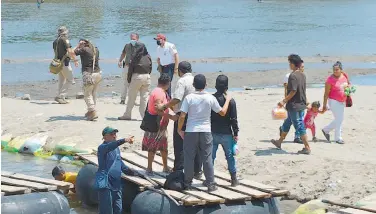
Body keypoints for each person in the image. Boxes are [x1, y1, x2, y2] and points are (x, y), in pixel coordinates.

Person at [178, 74, 231, 192]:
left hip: (191, 130)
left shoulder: (189, 98)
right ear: (206, 85)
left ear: (193, 85)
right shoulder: (210, 97)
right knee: (207, 157)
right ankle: (211, 183)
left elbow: (182, 115)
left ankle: (187, 182)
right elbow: (222, 112)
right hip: (206, 130)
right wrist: (227, 100)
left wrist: (179, 129)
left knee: (189, 157)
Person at [156, 61, 202, 177]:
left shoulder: (182, 81)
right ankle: (197, 170)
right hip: (197, 114)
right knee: (195, 143)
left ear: (180, 71)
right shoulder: (195, 80)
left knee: (179, 142)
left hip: (183, 114)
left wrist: (165, 106)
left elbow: (177, 98)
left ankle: (178, 168)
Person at [271, 54, 311, 155]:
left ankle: (307, 147)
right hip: (300, 103)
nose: (289, 65)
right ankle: (279, 142)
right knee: (287, 123)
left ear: (293, 64)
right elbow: (302, 90)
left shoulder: (293, 76)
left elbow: (293, 91)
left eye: (290, 63)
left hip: (294, 105)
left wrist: (283, 101)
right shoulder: (302, 75)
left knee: (299, 125)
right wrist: (305, 102)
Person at [96, 127, 135, 214]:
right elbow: (112, 145)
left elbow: (120, 163)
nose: (114, 136)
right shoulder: (102, 148)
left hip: (116, 185)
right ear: (105, 137)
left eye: (115, 134)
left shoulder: (116, 149)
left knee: (118, 209)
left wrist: (133, 173)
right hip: (105, 184)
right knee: (107, 211)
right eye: (112, 134)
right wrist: (124, 140)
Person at [141, 74, 174, 174]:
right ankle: (149, 168)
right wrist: (171, 117)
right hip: (156, 124)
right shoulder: (159, 93)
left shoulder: (160, 91)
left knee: (163, 146)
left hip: (162, 125)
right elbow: (158, 109)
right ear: (168, 84)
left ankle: (165, 167)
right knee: (153, 146)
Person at [211, 75, 240, 186]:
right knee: (229, 156)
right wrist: (236, 133)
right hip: (227, 133)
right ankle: (233, 179)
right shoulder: (231, 101)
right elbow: (234, 119)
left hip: (213, 132)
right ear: (226, 87)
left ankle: (210, 179)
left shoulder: (211, 99)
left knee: (211, 157)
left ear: (215, 85)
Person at [118, 42, 151, 120]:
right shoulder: (148, 56)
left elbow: (131, 69)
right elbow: (150, 67)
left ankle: (127, 115)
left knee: (131, 97)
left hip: (137, 77)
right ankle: (144, 116)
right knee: (144, 98)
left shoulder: (135, 57)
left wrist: (129, 80)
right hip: (147, 77)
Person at [72, 39, 102, 121]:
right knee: (93, 93)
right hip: (98, 73)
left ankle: (92, 111)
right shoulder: (96, 49)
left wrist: (78, 45)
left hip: (89, 74)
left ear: (84, 44)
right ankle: (90, 111)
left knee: (87, 94)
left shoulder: (84, 49)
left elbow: (72, 52)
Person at [322, 61, 349, 144]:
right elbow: (326, 93)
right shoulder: (330, 80)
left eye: (337, 69)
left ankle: (326, 130)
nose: (335, 71)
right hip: (333, 101)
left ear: (341, 70)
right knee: (339, 119)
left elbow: (347, 85)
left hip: (342, 100)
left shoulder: (344, 76)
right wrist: (324, 105)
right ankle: (338, 138)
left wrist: (349, 91)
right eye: (334, 70)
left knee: (339, 119)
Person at [280, 61, 305, 143]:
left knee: (296, 122)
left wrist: (305, 101)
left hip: (298, 103)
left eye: (303, 67)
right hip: (292, 103)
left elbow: (302, 90)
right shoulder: (289, 76)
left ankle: (298, 138)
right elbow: (288, 90)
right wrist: (285, 100)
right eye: (302, 66)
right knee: (294, 122)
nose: (302, 68)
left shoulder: (302, 76)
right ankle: (280, 141)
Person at [53, 26, 78, 104]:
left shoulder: (55, 41)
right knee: (70, 80)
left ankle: (60, 97)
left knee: (61, 80)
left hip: (57, 63)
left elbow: (61, 52)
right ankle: (60, 96)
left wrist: (77, 46)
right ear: (65, 33)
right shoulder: (65, 40)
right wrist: (75, 60)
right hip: (65, 63)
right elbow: (70, 51)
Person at [155, 33, 179, 98]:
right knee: (162, 82)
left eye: (158, 39)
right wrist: (159, 66)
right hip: (163, 67)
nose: (157, 41)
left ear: (163, 39)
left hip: (170, 66)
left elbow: (176, 56)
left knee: (167, 82)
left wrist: (176, 68)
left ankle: (169, 97)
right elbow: (158, 58)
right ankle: (165, 96)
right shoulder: (158, 48)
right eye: (156, 40)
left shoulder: (170, 46)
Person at [118, 33, 139, 104]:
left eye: (133, 39)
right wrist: (120, 61)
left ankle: (133, 100)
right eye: (131, 39)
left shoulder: (140, 46)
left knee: (134, 84)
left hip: (136, 67)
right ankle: (122, 99)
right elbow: (123, 53)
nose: (132, 40)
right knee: (125, 83)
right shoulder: (127, 45)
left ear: (137, 39)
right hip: (127, 66)